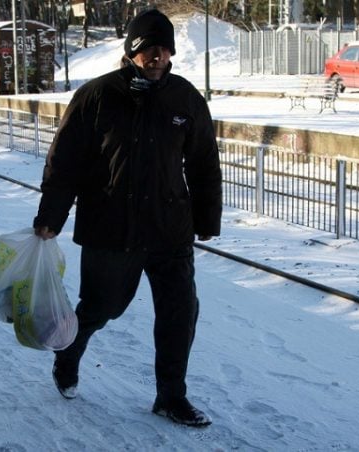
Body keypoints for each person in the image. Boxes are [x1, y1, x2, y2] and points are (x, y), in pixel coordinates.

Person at [32, 8, 222, 428]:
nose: (157, 57)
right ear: (131, 51)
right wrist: (51, 216)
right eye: (148, 50)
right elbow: (65, 163)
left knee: (180, 313)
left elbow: (204, 163)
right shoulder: (97, 96)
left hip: (170, 228)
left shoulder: (185, 98)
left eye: (164, 50)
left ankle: (171, 397)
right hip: (111, 228)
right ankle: (68, 354)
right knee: (102, 308)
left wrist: (207, 219)